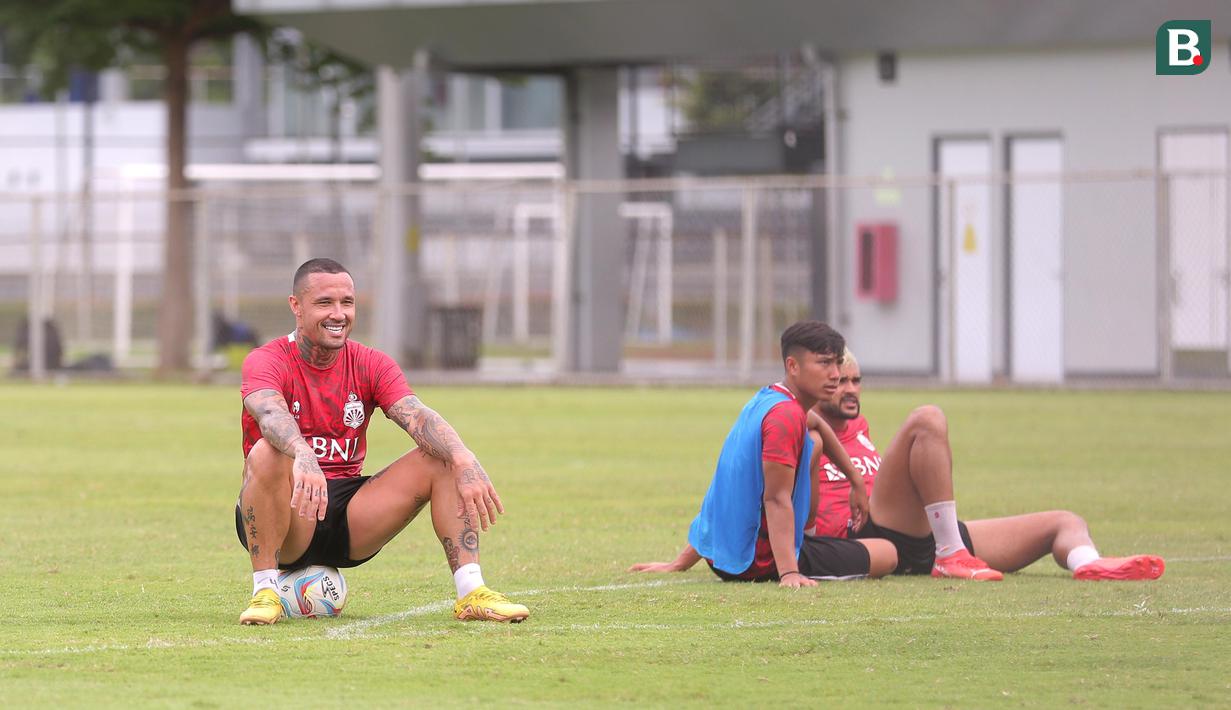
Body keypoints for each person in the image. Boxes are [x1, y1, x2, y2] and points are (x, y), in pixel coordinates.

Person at [235, 258, 530, 625]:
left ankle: (472, 592)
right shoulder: (267, 359)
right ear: (296, 306)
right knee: (268, 452)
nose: (338, 314)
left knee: (441, 456)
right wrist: (302, 453)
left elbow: (415, 413)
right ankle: (265, 591)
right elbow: (269, 414)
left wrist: (462, 456)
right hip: (290, 516)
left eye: (347, 302)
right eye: (325, 303)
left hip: (350, 514)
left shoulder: (371, 362)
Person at [808, 349, 1165, 582]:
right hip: (872, 536)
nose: (850, 389)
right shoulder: (800, 424)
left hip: (928, 537)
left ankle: (1088, 564)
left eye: (856, 380)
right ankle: (951, 555)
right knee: (927, 419)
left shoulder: (858, 425)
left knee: (1064, 521)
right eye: (840, 383)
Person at [630, 322, 898, 586]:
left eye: (837, 363)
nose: (835, 374)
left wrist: (855, 480)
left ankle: (807, 541)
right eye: (824, 363)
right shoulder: (786, 415)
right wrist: (790, 573)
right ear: (793, 366)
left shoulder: (768, 399)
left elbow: (726, 491)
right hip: (757, 561)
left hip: (725, 555)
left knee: (813, 441)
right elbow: (776, 498)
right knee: (888, 553)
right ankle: (800, 553)